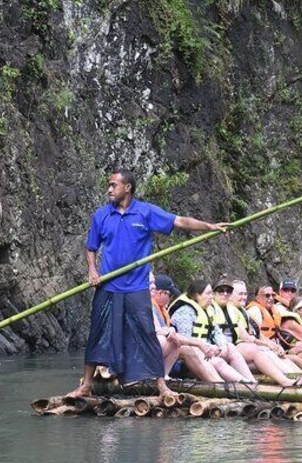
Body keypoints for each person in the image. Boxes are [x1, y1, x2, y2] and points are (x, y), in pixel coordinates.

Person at [68, 169, 229, 399]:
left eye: (114, 185)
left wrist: (209, 226)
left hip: (136, 287)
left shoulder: (145, 212)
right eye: (109, 185)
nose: (109, 189)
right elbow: (91, 247)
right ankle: (87, 385)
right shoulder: (102, 215)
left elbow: (180, 221)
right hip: (108, 286)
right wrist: (92, 270)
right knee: (97, 333)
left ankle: (161, 385)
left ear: (128, 187)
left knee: (146, 334)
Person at [215, 278, 302, 386]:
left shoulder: (241, 311)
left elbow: (258, 334)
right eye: (240, 294)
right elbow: (246, 337)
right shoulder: (232, 310)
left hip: (243, 351)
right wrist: (268, 345)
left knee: (273, 352)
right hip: (234, 349)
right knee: (264, 352)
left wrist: (273, 345)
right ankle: (287, 380)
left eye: (245, 294)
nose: (244, 297)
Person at [170, 280, 256, 382]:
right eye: (208, 293)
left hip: (207, 352)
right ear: (197, 295)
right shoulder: (185, 312)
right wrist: (208, 347)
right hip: (186, 360)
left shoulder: (209, 310)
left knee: (230, 347)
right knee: (218, 362)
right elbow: (186, 339)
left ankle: (250, 382)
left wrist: (223, 346)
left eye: (211, 293)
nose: (211, 296)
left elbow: (217, 332)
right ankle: (240, 385)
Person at [150, 274, 223, 382]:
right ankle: (218, 385)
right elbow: (157, 332)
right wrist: (201, 344)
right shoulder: (183, 311)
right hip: (151, 355)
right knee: (186, 347)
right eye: (169, 295)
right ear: (160, 293)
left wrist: (220, 347)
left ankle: (239, 383)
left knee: (224, 354)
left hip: (166, 356)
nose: (171, 299)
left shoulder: (157, 308)